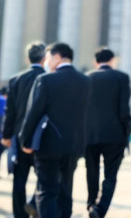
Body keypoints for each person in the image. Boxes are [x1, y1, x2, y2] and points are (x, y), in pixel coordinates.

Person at [19, 43, 92, 219]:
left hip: (48, 144)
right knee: (66, 190)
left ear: (57, 57)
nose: (46, 61)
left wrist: (25, 140)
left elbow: (34, 113)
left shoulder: (45, 80)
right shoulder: (86, 81)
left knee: (47, 190)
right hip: (74, 145)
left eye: (49, 57)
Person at [85, 48, 131, 219]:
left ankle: (91, 203)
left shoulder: (87, 77)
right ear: (112, 60)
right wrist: (126, 131)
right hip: (115, 133)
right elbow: (124, 108)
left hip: (90, 134)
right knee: (110, 174)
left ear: (95, 62)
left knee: (91, 170)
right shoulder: (122, 77)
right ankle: (101, 209)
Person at [2, 42, 46, 219]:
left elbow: (10, 111)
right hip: (43, 137)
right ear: (44, 59)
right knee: (45, 177)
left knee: (19, 178)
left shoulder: (16, 79)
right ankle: (35, 204)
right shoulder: (49, 78)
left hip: (20, 137)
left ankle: (20, 214)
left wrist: (6, 135)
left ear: (28, 58)